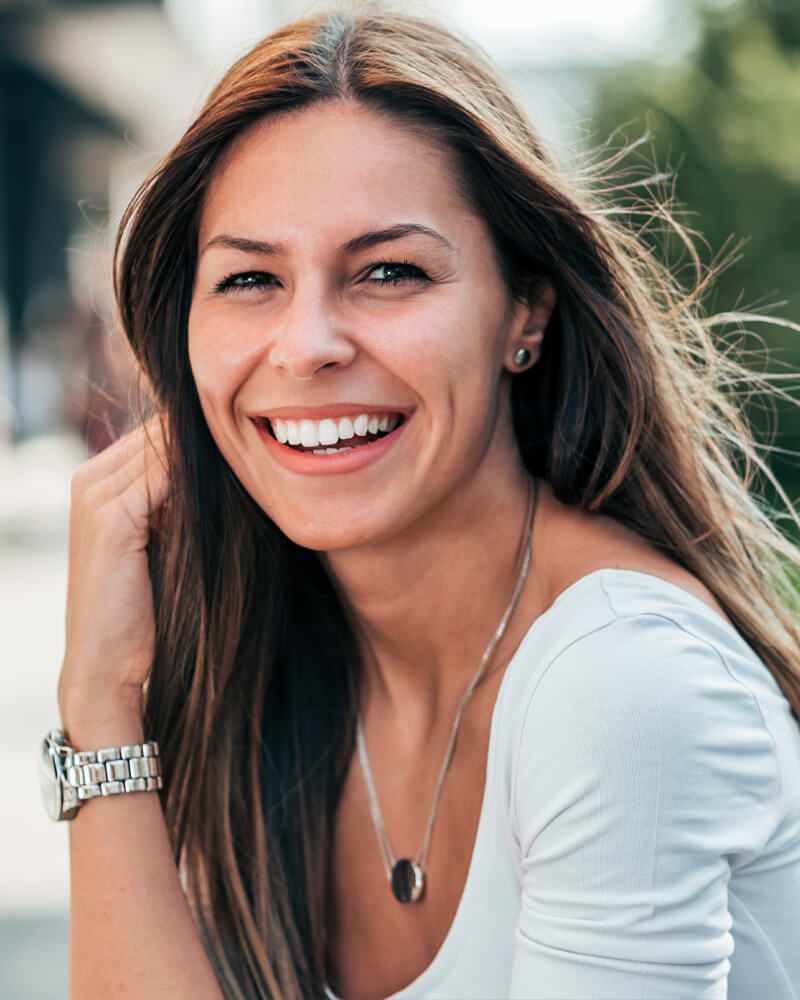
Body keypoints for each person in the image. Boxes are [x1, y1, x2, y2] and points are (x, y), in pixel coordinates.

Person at [44, 6, 800, 1000]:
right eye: (248, 279)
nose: (306, 342)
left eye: (388, 271)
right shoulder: (277, 658)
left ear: (522, 312)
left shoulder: (622, 679)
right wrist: (99, 706)